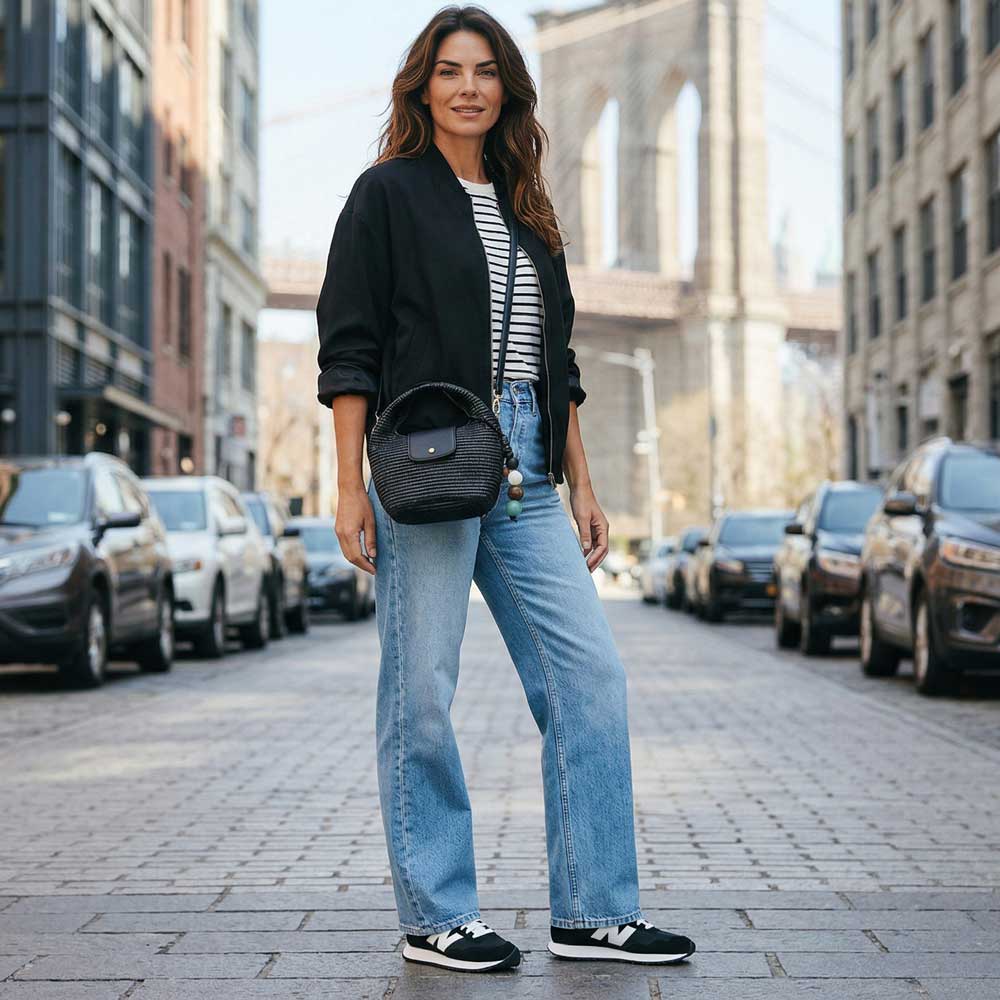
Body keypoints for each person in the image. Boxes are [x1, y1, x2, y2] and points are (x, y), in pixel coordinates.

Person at [316, 4, 696, 975]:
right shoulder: (386, 194)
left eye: (485, 71)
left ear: (507, 88)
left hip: (527, 467)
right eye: (449, 70)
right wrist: (347, 487)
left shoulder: (530, 206)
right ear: (421, 86)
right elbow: (349, 347)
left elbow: (556, 361)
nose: (468, 87)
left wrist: (584, 481)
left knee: (588, 678)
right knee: (423, 692)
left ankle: (594, 908)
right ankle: (437, 912)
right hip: (430, 458)